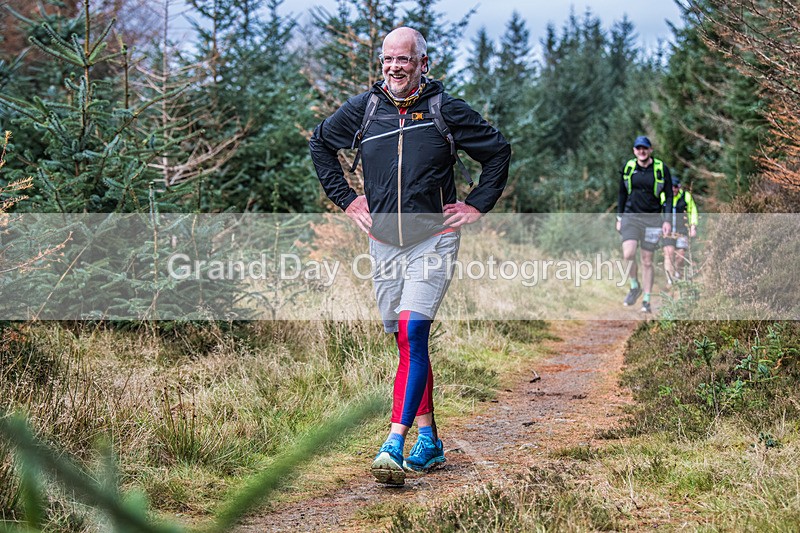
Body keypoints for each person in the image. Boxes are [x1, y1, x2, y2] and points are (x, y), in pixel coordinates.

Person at [309, 27, 511, 486]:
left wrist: (477, 204)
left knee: (413, 330)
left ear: (423, 63)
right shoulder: (366, 109)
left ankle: (393, 443)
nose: (394, 67)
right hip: (383, 243)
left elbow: (498, 151)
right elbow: (320, 143)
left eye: (403, 59)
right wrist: (347, 200)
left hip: (433, 239)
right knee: (406, 341)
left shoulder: (445, 110)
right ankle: (430, 440)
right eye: (387, 59)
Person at [616, 135, 673, 313]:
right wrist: (619, 218)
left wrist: (667, 220)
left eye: (645, 148)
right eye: (639, 148)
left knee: (647, 261)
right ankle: (634, 286)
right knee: (628, 254)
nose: (642, 151)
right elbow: (622, 193)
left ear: (650, 150)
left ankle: (646, 300)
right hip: (631, 217)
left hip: (653, 219)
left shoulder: (661, 169)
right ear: (634, 151)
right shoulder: (628, 168)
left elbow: (669, 196)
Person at [660, 176, 698, 282]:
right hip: (667, 231)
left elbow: (693, 212)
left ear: (679, 187)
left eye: (675, 187)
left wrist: (693, 226)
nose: (673, 189)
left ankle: (678, 274)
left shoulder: (686, 196)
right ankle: (670, 280)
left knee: (680, 256)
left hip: (682, 230)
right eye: (671, 187)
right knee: (669, 254)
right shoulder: (663, 196)